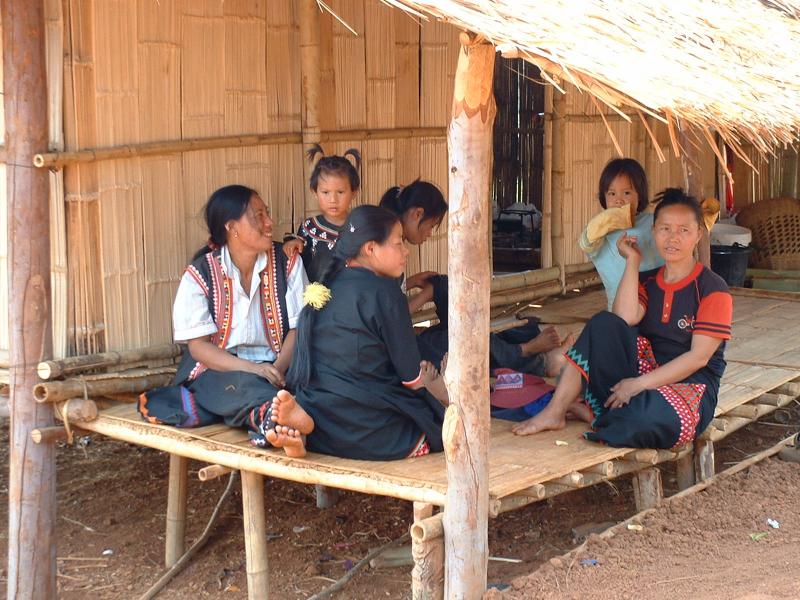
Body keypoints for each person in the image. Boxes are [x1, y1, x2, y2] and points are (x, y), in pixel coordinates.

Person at [512, 188, 733, 449]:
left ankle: (595, 415)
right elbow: (623, 318)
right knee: (603, 324)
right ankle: (555, 412)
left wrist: (637, 385)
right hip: (642, 375)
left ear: (698, 234)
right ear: (653, 232)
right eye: (665, 229)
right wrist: (632, 262)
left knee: (648, 418)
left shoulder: (712, 289)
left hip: (689, 387)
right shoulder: (647, 279)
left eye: (684, 230)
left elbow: (698, 358)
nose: (673, 238)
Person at [256, 205, 447, 461]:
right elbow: (411, 377)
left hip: (322, 420)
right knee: (434, 424)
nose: (406, 251)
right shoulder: (386, 292)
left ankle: (303, 433)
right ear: (370, 248)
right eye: (398, 243)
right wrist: (439, 392)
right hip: (367, 430)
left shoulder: (325, 285)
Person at [138, 185, 310, 457]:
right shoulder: (200, 273)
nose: (269, 223)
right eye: (258, 216)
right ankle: (275, 417)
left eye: (267, 214)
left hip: (282, 367)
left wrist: (274, 370)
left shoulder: (288, 262)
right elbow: (199, 349)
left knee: (307, 380)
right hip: (220, 370)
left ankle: (274, 419)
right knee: (233, 386)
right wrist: (255, 371)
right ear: (232, 227)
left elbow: (299, 329)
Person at [380, 179, 568, 376]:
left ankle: (528, 346)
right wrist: (426, 295)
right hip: (394, 353)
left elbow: (391, 296)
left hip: (401, 342)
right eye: (432, 225)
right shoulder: (384, 253)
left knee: (462, 318)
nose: (430, 233)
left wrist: (412, 282)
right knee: (463, 340)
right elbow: (390, 319)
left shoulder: (390, 251)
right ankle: (530, 354)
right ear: (417, 214)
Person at [580, 158, 663, 309]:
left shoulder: (654, 221)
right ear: (603, 197)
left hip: (659, 305)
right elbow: (585, 242)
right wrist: (608, 220)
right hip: (621, 311)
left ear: (640, 195)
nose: (619, 200)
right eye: (611, 194)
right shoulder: (599, 231)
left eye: (626, 193)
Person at [283, 145, 360, 282]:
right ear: (315, 193)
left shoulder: (361, 227)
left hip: (352, 299)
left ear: (354, 192)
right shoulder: (309, 228)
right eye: (325, 192)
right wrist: (293, 244)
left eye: (340, 192)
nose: (333, 200)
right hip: (316, 300)